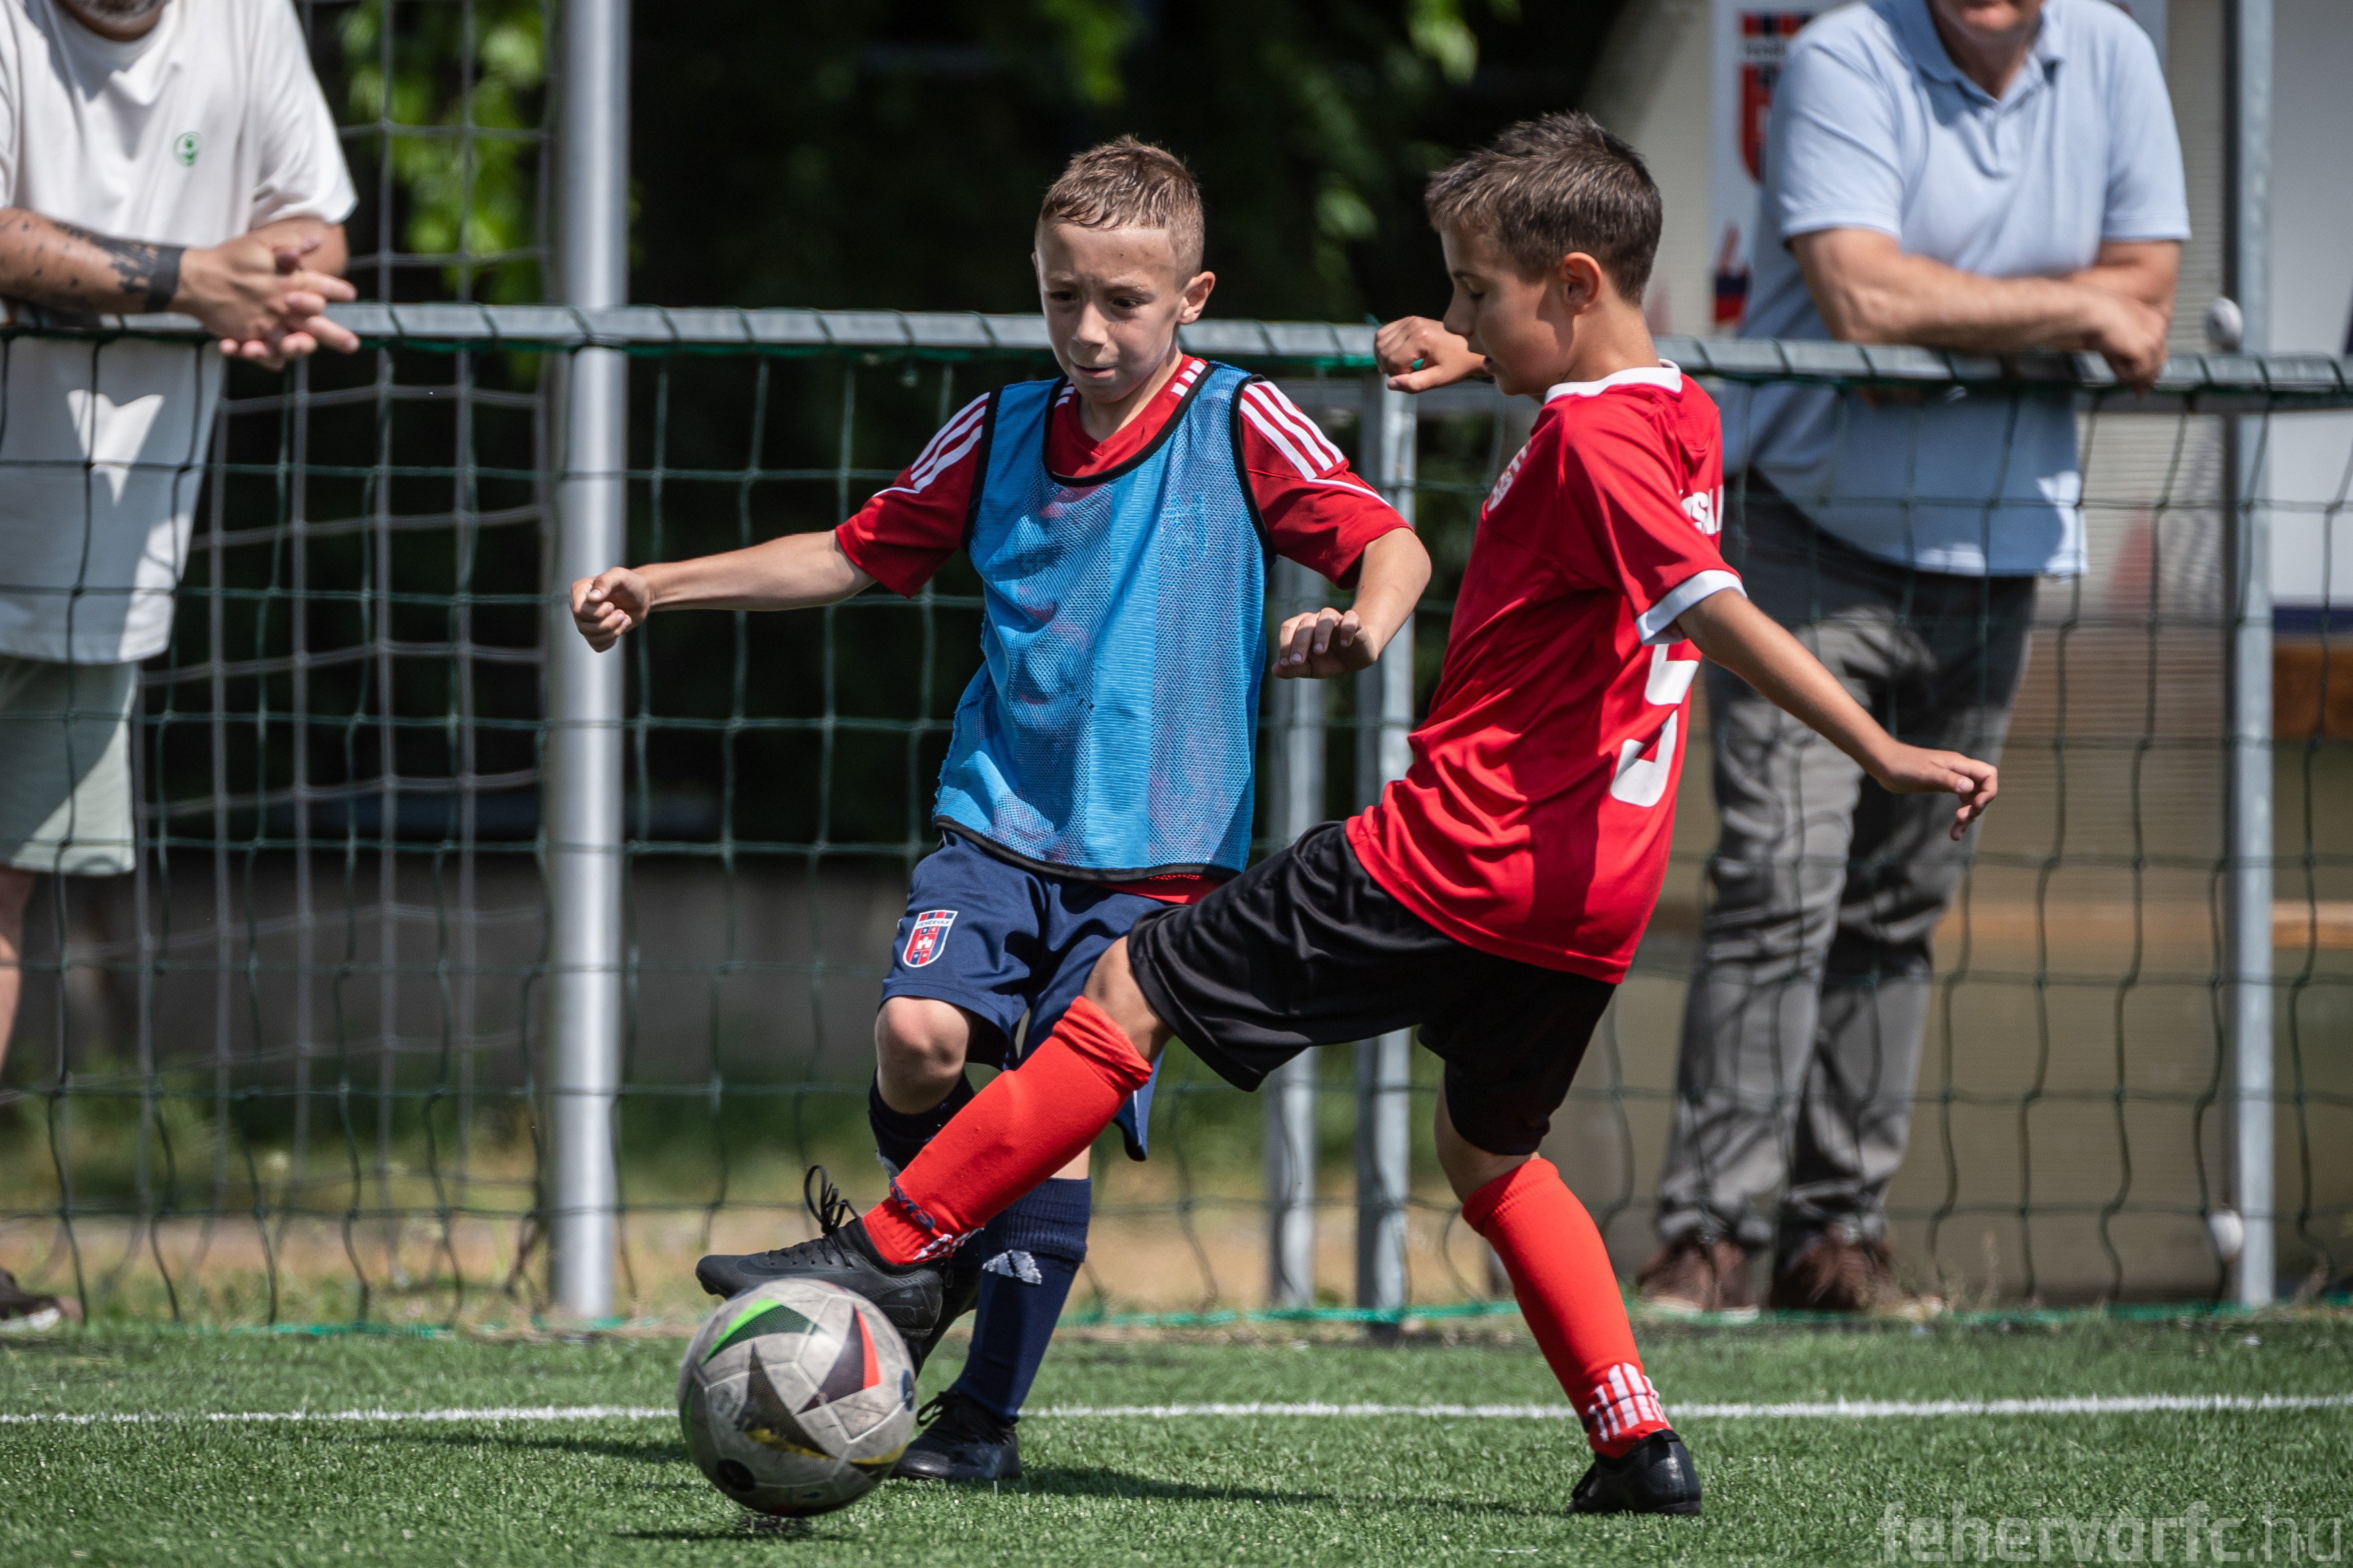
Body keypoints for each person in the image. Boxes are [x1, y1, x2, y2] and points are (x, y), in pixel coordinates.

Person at [700, 111, 1999, 1516]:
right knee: (1490, 1158)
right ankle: (1636, 1441)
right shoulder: (1678, 412)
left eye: (1474, 292)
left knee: (1129, 990)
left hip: (1454, 853)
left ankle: (890, 1252)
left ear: (1571, 286)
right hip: (1590, 898)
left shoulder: (1585, 443)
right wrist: (1484, 352)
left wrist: (1878, 747)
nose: (1454, 317)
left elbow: (1708, 603)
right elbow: (1598, 410)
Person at [571, 138, 1429, 1483]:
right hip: (997, 822)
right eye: (1060, 296)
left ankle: (981, 1420)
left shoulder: (1238, 419)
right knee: (916, 1037)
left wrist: (1365, 625)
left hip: (1156, 861)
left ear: (1192, 295)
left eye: (1123, 302)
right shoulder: (999, 431)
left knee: (1050, 1102)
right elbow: (848, 553)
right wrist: (662, 584)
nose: (1088, 330)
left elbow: (1391, 540)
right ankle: (940, 1253)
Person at [1625, 0, 2187, 1315]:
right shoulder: (1841, 53)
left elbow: (2152, 302)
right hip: (1805, 538)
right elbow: (1865, 301)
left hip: (1998, 552)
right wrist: (2075, 306)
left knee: (1898, 910)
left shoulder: (2115, 55)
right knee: (1778, 885)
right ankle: (1706, 1242)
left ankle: (1837, 1241)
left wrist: (1959, 317)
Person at [0, 0, 359, 1328]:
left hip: (94, 564)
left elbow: (314, 220)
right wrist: (190, 279)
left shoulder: (246, 18)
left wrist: (274, 279)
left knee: (4, 904)